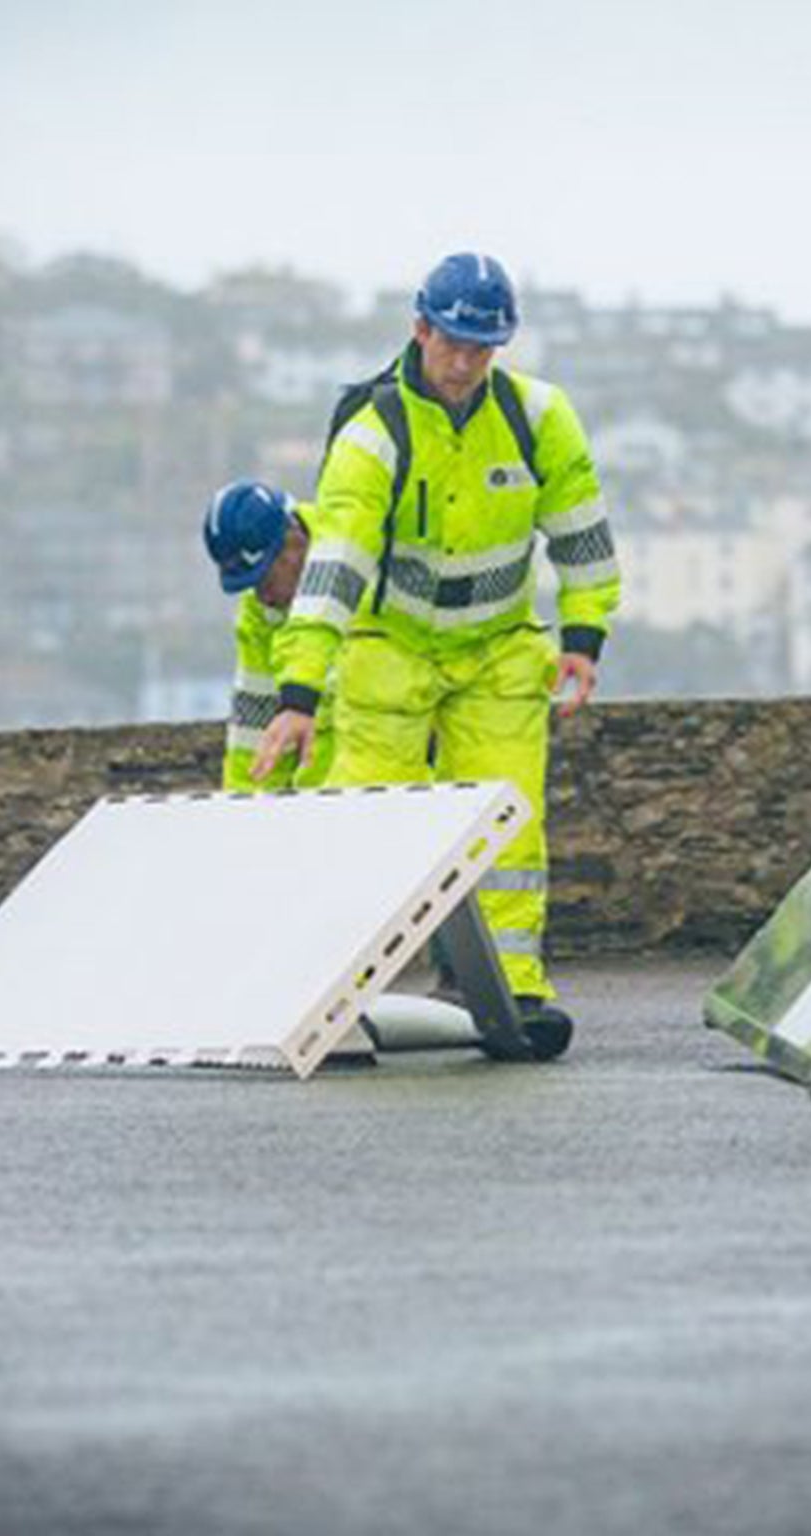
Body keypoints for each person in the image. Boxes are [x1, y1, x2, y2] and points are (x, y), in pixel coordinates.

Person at [251, 251, 619, 1020]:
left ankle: (507, 987)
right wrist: (299, 692)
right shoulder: (372, 433)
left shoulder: (539, 418)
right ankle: (341, 994)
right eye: (453, 342)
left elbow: (581, 533)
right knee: (365, 821)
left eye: (482, 347)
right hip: (392, 652)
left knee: (507, 822)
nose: (465, 361)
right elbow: (335, 568)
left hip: (497, 652)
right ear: (420, 328)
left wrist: (584, 638)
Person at [201, 478, 334, 792]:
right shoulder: (260, 616)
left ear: (295, 541)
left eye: (264, 578)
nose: (263, 597)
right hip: (321, 811)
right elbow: (253, 738)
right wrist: (240, 820)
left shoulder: (360, 567)